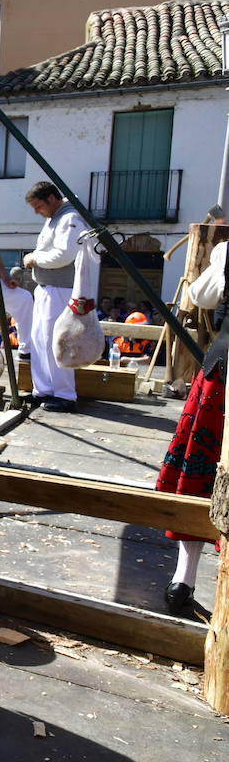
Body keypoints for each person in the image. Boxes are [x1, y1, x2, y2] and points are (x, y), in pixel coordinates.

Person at [157, 237, 228, 615]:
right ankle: (184, 578)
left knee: (201, 478)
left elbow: (202, 296)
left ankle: (183, 578)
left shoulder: (226, 252)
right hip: (222, 373)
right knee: (203, 477)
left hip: (222, 377)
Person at [22, 181, 90, 412]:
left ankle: (64, 394)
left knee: (57, 340)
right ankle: (42, 390)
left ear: (52, 198)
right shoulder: (55, 219)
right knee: (39, 340)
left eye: (38, 206)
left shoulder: (70, 219)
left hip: (61, 289)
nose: (36, 212)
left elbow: (64, 255)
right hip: (47, 287)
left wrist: (35, 258)